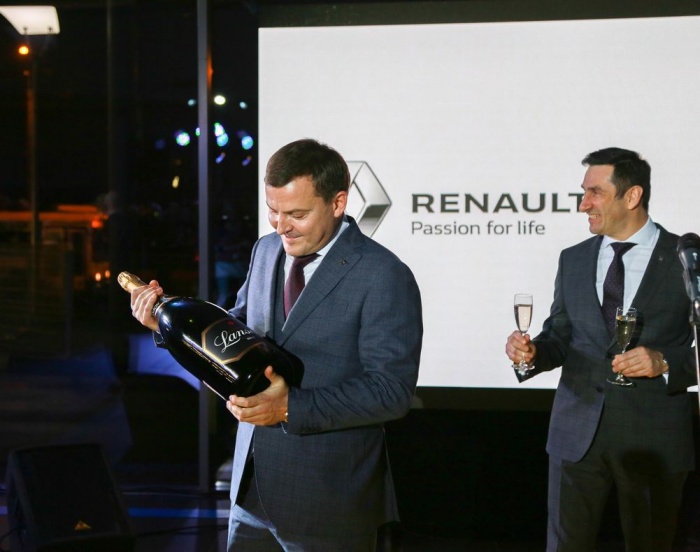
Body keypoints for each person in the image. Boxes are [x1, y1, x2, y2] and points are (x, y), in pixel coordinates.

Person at [129, 138, 423, 551]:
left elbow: (391, 392)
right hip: (250, 492)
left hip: (327, 501)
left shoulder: (384, 274)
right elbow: (237, 329)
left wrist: (288, 408)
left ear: (338, 203)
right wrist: (163, 325)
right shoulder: (266, 249)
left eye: (297, 214)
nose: (281, 226)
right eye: (273, 210)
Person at [505, 147, 696, 552]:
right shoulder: (573, 259)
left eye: (595, 193)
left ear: (632, 196)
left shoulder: (686, 258)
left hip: (654, 440)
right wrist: (533, 353)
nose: (583, 204)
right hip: (576, 434)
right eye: (583, 192)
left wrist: (664, 362)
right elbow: (560, 335)